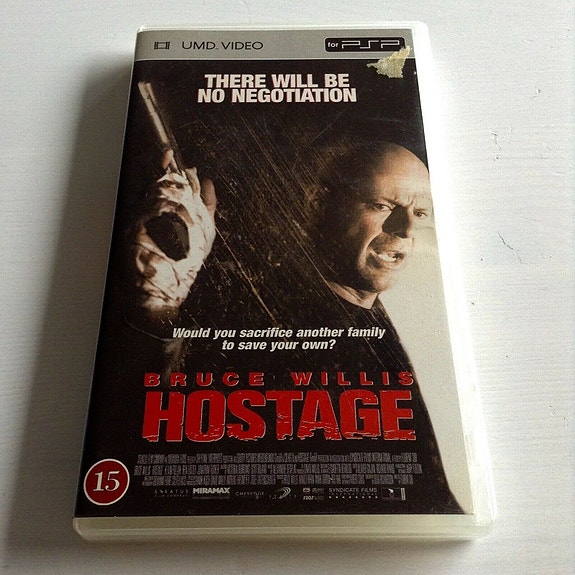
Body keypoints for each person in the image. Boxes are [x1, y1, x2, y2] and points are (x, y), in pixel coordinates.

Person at [122, 139, 462, 514]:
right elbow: (153, 426)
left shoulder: (392, 321)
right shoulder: (249, 309)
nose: (407, 228)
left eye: (420, 212)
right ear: (317, 203)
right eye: (382, 205)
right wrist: (156, 304)